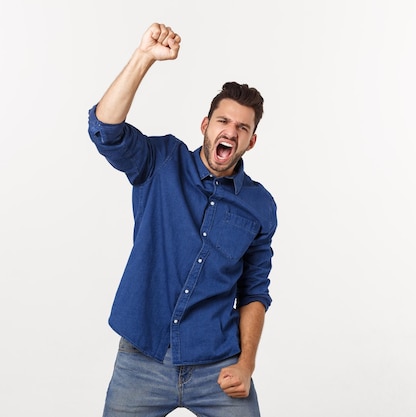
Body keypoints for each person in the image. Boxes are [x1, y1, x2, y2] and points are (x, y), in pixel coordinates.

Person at [87, 23, 277, 417]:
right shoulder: (161, 162)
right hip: (142, 356)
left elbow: (254, 292)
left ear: (251, 141)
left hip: (217, 363)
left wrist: (246, 365)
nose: (232, 131)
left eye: (243, 127)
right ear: (206, 125)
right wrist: (144, 58)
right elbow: (106, 129)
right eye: (223, 121)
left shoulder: (259, 204)